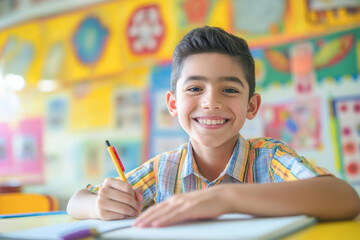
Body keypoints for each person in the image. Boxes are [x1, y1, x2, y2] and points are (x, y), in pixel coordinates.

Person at [67, 26, 360, 227]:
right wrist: (97, 207)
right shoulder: (163, 170)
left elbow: (344, 198)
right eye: (195, 88)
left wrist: (226, 198)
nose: (211, 102)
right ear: (172, 104)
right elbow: (76, 200)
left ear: (252, 106)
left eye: (229, 90)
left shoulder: (270, 159)